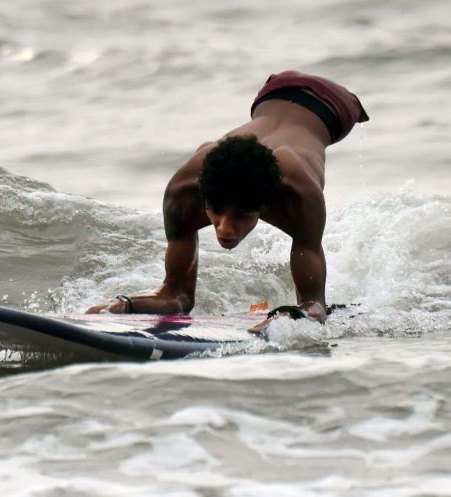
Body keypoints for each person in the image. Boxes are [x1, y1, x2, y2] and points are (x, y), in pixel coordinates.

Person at [86, 70, 368, 332]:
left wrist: (286, 317)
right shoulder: (183, 191)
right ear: (202, 196)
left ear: (267, 204)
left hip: (333, 106)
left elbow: (315, 305)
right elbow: (177, 296)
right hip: (273, 90)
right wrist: (124, 304)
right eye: (215, 212)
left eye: (241, 216)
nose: (224, 229)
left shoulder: (300, 194)